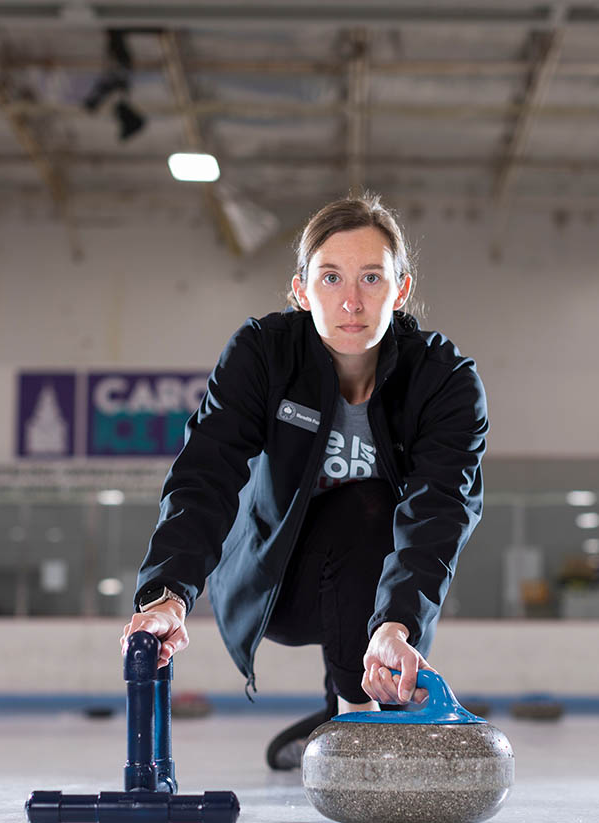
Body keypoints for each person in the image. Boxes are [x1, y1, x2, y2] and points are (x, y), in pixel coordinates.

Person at [121, 193, 487, 769]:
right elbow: (204, 474)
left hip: (375, 589)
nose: (350, 300)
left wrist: (399, 624)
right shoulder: (263, 355)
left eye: (372, 278)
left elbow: (439, 510)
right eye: (330, 277)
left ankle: (346, 714)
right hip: (275, 582)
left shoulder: (444, 381)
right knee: (359, 505)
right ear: (300, 290)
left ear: (402, 290)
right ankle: (353, 721)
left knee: (369, 510)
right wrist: (167, 594)